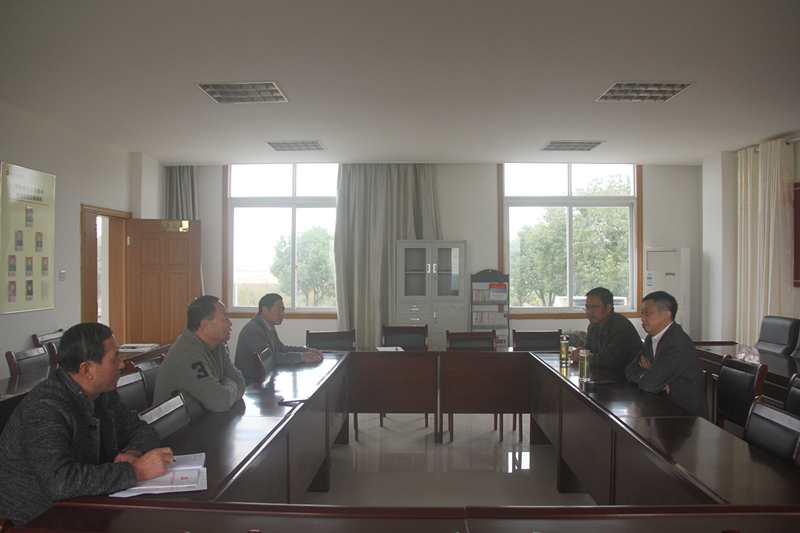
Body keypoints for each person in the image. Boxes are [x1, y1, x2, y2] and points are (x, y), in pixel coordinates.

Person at [0, 323, 172, 526]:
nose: (121, 364)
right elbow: (60, 483)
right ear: (87, 369)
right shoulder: (45, 408)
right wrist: (136, 471)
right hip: (37, 521)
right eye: (114, 358)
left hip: (82, 509)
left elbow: (141, 429)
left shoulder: (102, 394)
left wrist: (133, 453)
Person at [154, 295, 246, 421]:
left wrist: (225, 386)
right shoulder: (187, 354)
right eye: (225, 318)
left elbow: (240, 381)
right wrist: (228, 383)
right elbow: (220, 402)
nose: (230, 323)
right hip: (179, 429)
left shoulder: (217, 345)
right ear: (205, 325)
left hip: (206, 420)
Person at [625, 291, 708, 419]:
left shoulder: (675, 343)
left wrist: (652, 378)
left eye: (647, 313)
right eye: (642, 313)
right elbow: (630, 369)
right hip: (662, 408)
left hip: (685, 417)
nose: (643, 318)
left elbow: (649, 384)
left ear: (666, 315)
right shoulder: (651, 338)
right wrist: (650, 375)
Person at [234, 293, 323, 379]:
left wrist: (306, 350)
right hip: (251, 382)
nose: (282, 313)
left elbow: (281, 348)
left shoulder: (268, 326)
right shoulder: (253, 330)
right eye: (279, 310)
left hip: (266, 378)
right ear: (265, 310)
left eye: (283, 310)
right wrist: (301, 357)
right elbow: (268, 360)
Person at [570, 287, 641, 371]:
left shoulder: (621, 327)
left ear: (608, 308)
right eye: (587, 307)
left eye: (595, 307)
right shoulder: (592, 327)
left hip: (625, 376)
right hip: (604, 374)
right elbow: (590, 349)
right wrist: (580, 352)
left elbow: (611, 361)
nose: (589, 312)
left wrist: (583, 357)